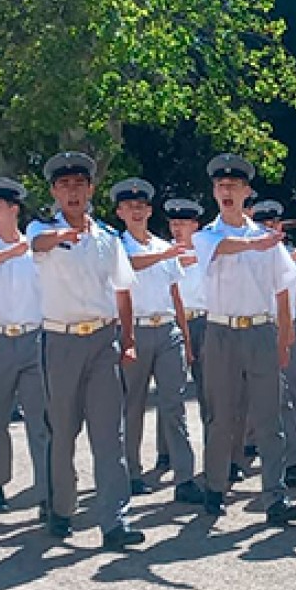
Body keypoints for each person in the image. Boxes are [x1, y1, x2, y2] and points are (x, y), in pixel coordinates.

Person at [27, 151, 145, 550]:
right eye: (64, 185)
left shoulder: (108, 238)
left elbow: (123, 289)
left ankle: (115, 520)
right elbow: (37, 244)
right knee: (63, 430)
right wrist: (62, 236)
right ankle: (61, 508)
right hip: (60, 340)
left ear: (91, 189)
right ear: (54, 192)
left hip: (101, 339)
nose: (72, 192)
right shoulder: (42, 230)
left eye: (79, 184)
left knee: (109, 432)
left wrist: (128, 341)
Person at [189, 153, 296, 524]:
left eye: (234, 186)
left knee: (269, 417)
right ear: (214, 192)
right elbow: (222, 248)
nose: (227, 191)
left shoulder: (266, 239)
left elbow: (283, 287)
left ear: (246, 192)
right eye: (221, 186)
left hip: (260, 331)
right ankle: (215, 488)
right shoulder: (206, 236)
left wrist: (285, 334)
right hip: (220, 331)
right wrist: (255, 245)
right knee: (221, 416)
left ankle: (275, 496)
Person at [114, 178, 204, 504]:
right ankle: (131, 473)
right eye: (130, 207)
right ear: (120, 212)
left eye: (141, 206)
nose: (136, 212)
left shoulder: (162, 246)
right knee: (133, 405)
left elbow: (175, 294)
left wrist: (186, 340)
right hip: (135, 330)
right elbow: (128, 267)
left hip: (167, 330)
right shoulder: (118, 246)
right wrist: (164, 255)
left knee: (174, 405)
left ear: (149, 211)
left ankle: (184, 477)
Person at [0, 177, 51, 514]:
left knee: (40, 420)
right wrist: (10, 252)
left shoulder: (36, 249)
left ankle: (47, 490)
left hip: (33, 338)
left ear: (14, 209)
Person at [251, 197, 296, 489]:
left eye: (273, 223)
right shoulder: (249, 254)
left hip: (287, 330)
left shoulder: (288, 255)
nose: (269, 228)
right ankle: (292, 460)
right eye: (262, 224)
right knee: (276, 400)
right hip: (262, 331)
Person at [160, 197, 209, 474]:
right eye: (173, 224)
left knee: (209, 391)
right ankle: (166, 452)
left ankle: (215, 452)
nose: (177, 229)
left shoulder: (207, 250)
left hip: (202, 322)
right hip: (173, 324)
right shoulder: (162, 252)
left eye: (183, 223)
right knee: (171, 392)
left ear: (195, 226)